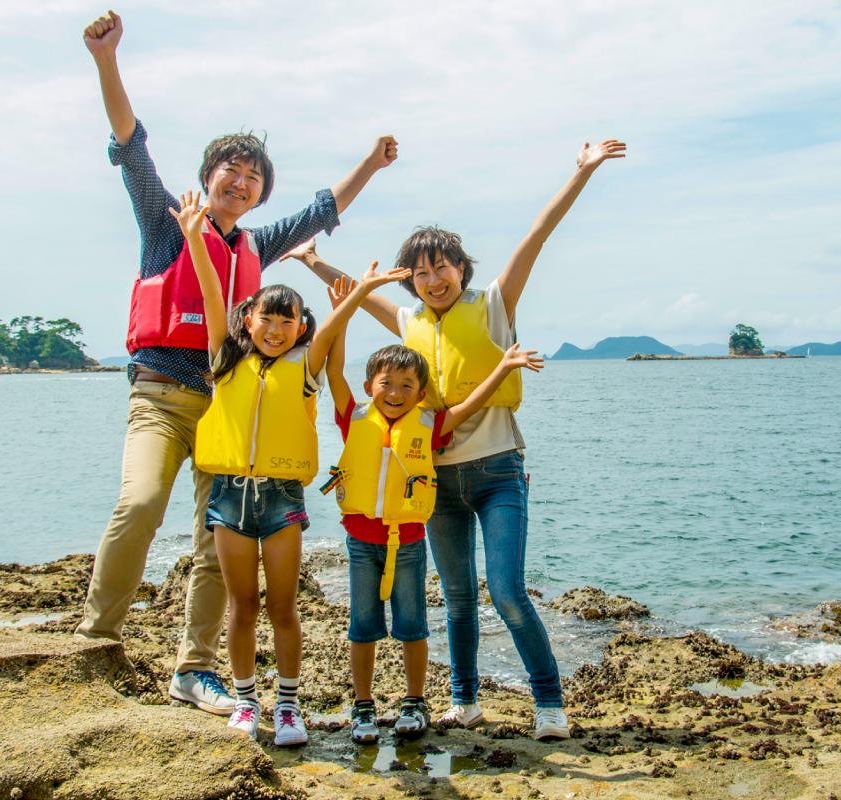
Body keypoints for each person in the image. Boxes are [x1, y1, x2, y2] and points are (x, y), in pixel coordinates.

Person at [74, 9, 399, 718]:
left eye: (254, 176)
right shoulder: (166, 220)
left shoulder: (258, 243)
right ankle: (94, 636)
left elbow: (322, 210)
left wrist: (371, 164)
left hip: (228, 407)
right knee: (139, 503)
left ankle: (192, 668)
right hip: (161, 394)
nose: (242, 181)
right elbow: (130, 145)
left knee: (210, 538)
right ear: (209, 176)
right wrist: (106, 61)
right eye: (232, 169)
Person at [287, 138, 625, 740]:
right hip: (435, 478)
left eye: (442, 267)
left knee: (507, 590)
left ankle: (549, 702)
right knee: (458, 595)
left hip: (497, 469)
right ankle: (464, 701)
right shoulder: (408, 320)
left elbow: (537, 234)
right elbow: (357, 294)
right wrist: (312, 262)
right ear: (412, 282)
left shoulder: (494, 303)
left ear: (460, 269)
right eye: (420, 273)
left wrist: (583, 172)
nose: (432, 278)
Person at [170, 193, 410, 745]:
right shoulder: (224, 358)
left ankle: (289, 707)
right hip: (228, 497)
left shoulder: (305, 369)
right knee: (242, 605)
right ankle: (248, 702)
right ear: (248, 321)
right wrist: (192, 239)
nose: (277, 329)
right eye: (267, 319)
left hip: (281, 500)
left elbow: (330, 338)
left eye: (288, 321)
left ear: (301, 326)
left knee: (282, 605)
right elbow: (211, 295)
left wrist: (363, 292)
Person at [321, 274, 542, 744]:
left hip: (409, 542)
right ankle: (363, 706)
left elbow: (470, 404)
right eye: (386, 384)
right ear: (370, 386)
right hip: (361, 542)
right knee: (362, 627)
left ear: (421, 393)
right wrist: (341, 315)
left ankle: (415, 701)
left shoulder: (430, 423)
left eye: (406, 385)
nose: (396, 392)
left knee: (413, 625)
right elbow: (333, 373)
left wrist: (503, 367)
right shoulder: (353, 416)